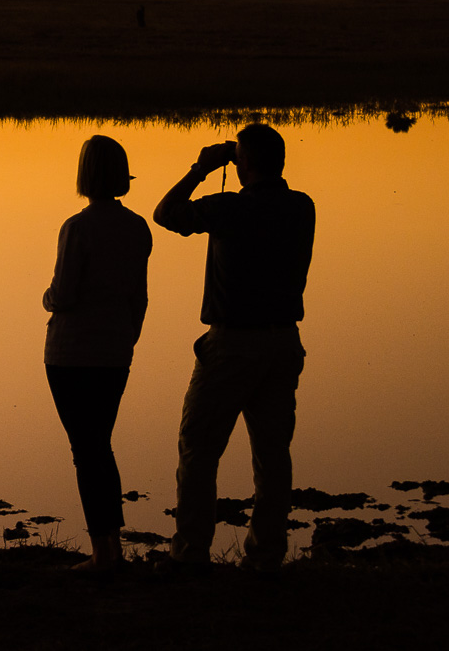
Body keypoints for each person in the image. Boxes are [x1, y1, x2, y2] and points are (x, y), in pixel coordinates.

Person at [153, 123, 315, 572]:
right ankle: (265, 555)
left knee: (199, 449)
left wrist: (201, 168)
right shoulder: (302, 207)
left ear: (242, 163)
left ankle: (189, 554)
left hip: (232, 345)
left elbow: (165, 213)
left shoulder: (232, 209)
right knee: (272, 453)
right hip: (283, 342)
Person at [43, 134, 152, 572]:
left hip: (71, 353)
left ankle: (103, 553)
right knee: (98, 446)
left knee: (86, 450)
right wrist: (128, 338)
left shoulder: (78, 227)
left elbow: (65, 294)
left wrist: (46, 298)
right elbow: (138, 297)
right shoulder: (137, 226)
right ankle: (111, 546)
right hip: (114, 350)